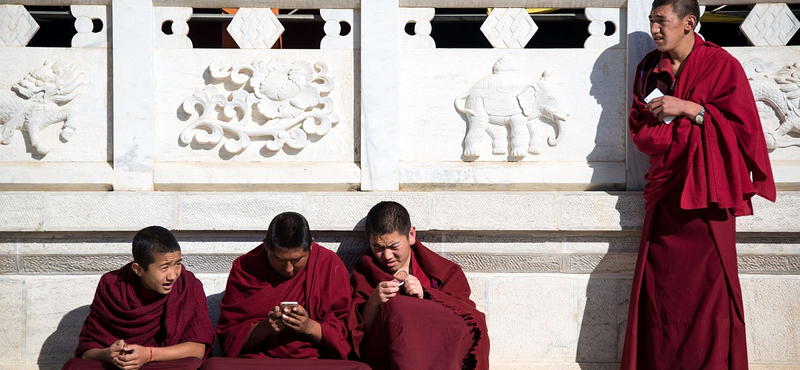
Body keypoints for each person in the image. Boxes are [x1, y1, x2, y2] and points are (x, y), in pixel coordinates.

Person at [621, 0, 776, 368]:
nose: (656, 29)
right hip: (666, 200)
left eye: (663, 21)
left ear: (689, 23)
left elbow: (745, 134)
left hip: (708, 200)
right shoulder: (648, 69)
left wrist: (691, 109)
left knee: (711, 292)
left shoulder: (722, 66)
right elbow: (642, 134)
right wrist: (682, 129)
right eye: (652, 21)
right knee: (661, 293)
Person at [201, 212, 369, 370]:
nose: (288, 269)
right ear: (265, 245)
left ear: (310, 245)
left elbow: (343, 335)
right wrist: (265, 327)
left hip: (315, 361)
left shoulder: (328, 264)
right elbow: (230, 338)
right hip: (261, 362)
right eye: (279, 259)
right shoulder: (245, 268)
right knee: (213, 366)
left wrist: (309, 326)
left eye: (296, 260)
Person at [348, 201, 490, 370]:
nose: (386, 256)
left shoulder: (443, 272)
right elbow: (359, 336)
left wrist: (426, 295)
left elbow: (467, 320)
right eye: (377, 247)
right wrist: (373, 302)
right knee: (397, 307)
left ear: (411, 235)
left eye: (394, 246)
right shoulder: (365, 273)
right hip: (387, 357)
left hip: (439, 352)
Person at [62, 226, 214, 370]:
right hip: (118, 366)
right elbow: (86, 352)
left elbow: (197, 349)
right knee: (74, 366)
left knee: (191, 365)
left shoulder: (188, 285)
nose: (173, 275)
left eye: (177, 264)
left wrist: (149, 354)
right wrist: (108, 354)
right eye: (164, 267)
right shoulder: (112, 286)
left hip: (161, 364)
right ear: (138, 269)